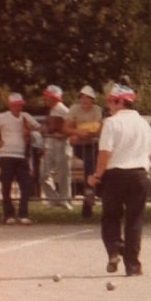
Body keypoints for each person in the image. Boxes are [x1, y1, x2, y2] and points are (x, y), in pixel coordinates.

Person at [88, 84, 151, 275]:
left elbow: (104, 153)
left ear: (120, 102)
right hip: (140, 174)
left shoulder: (111, 122)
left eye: (111, 101)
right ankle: (133, 266)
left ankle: (115, 249)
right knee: (135, 221)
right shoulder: (144, 124)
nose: (109, 105)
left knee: (110, 217)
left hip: (115, 175)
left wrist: (96, 176)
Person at [0, 93, 40, 224]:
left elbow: (39, 128)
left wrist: (29, 132)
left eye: (20, 105)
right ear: (10, 105)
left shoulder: (26, 117)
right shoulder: (3, 117)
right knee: (6, 185)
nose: (18, 108)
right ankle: (9, 214)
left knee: (25, 184)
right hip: (6, 154)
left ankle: (23, 214)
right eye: (16, 105)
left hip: (22, 155)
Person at [67, 83, 103, 217]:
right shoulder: (74, 109)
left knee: (91, 163)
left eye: (88, 98)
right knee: (90, 161)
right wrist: (77, 132)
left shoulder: (97, 110)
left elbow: (97, 129)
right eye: (83, 97)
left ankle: (89, 194)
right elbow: (66, 127)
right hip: (80, 145)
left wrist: (81, 132)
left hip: (92, 144)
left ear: (92, 100)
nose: (85, 100)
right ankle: (89, 190)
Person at [40, 83, 72, 207]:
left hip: (61, 145)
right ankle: (55, 199)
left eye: (48, 97)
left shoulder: (61, 109)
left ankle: (64, 199)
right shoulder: (53, 109)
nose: (46, 99)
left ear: (55, 98)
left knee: (63, 174)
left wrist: (60, 133)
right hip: (51, 145)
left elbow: (60, 127)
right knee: (44, 173)